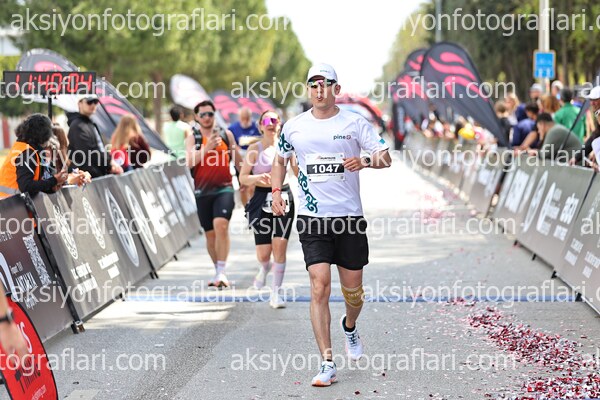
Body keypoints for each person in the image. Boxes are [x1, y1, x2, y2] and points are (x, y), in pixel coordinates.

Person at [271, 63, 391, 387]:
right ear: (308, 89)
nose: (319, 90)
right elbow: (279, 160)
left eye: (325, 84)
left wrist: (365, 161)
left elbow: (385, 156)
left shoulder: (354, 122)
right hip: (312, 218)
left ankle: (349, 326)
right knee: (319, 284)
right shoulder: (294, 127)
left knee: (354, 294)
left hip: (349, 218)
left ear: (336, 89)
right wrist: (276, 192)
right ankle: (327, 362)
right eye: (313, 84)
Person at [239, 110, 298, 308]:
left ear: (280, 125)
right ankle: (264, 268)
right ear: (260, 126)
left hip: (283, 196)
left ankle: (276, 293)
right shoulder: (254, 149)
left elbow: (298, 173)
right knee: (264, 254)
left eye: (275, 120)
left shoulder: (286, 147)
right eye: (267, 121)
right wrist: (258, 178)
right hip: (260, 198)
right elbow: (243, 177)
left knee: (279, 245)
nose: (271, 124)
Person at [185, 100, 242, 288]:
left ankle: (222, 271)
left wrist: (245, 181)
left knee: (221, 226)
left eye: (210, 114)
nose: (207, 118)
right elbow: (189, 162)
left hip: (224, 188)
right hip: (202, 191)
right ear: (196, 117)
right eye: (203, 115)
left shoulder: (226, 135)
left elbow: (239, 162)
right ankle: (218, 270)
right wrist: (207, 148)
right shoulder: (193, 138)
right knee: (210, 235)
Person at [0, 114, 68, 199]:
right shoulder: (27, 152)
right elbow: (26, 186)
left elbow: (33, 185)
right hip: (10, 203)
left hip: (10, 202)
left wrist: (52, 187)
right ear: (43, 134)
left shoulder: (23, 147)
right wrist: (54, 181)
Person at [67, 94, 123, 178]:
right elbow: (89, 153)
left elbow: (99, 149)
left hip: (95, 175)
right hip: (86, 177)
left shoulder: (89, 123)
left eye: (95, 102)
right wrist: (109, 165)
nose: (93, 105)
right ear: (79, 103)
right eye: (89, 102)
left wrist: (110, 163)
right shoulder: (78, 126)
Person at [229, 107, 261, 206]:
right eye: (243, 118)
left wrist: (251, 141)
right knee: (243, 188)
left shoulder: (257, 126)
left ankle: (254, 206)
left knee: (253, 186)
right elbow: (231, 144)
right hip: (240, 161)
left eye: (247, 117)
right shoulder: (232, 128)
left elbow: (263, 139)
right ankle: (246, 209)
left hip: (256, 160)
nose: (245, 120)